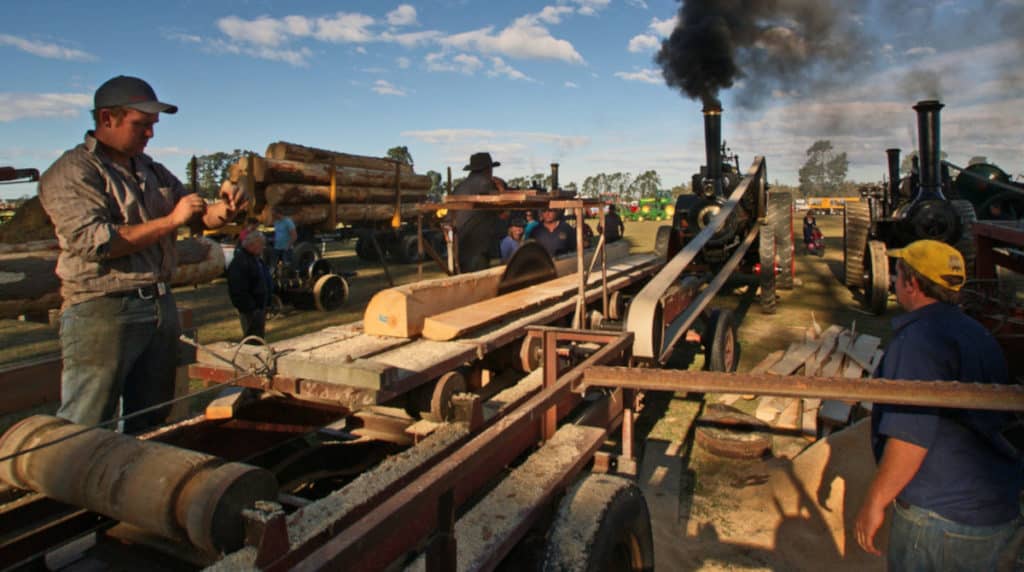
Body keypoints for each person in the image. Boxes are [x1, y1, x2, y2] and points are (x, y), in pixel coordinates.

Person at [39, 75, 247, 433]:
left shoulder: (152, 170)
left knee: (152, 418)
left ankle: (134, 485)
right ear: (107, 119)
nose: (150, 134)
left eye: (152, 126)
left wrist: (226, 209)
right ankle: (74, 488)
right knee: (87, 424)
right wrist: (170, 220)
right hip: (103, 308)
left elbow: (199, 215)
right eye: (141, 124)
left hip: (158, 304)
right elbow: (96, 241)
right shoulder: (73, 171)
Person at [854, 239, 1021, 570]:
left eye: (897, 273)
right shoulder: (975, 331)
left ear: (912, 283)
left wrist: (875, 501)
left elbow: (909, 438)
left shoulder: (918, 343)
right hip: (992, 509)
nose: (892, 280)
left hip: (939, 519)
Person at [452, 152, 506, 272]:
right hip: (477, 249)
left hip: (458, 247)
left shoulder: (459, 187)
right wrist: (501, 188)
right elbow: (503, 212)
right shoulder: (486, 184)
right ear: (487, 169)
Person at [227, 231, 272, 340]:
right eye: (261, 244)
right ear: (252, 245)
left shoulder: (256, 259)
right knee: (252, 340)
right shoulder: (240, 262)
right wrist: (250, 307)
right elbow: (238, 289)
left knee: (259, 338)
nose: (263, 247)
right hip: (251, 309)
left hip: (259, 307)